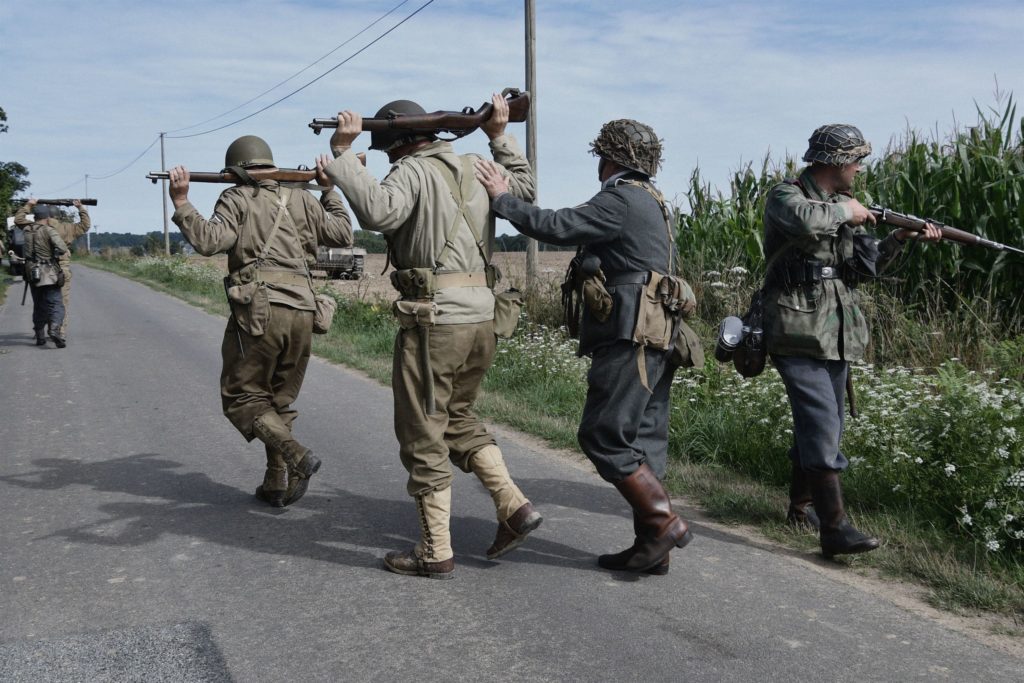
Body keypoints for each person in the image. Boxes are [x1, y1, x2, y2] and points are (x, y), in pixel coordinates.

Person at [321, 93, 539, 579]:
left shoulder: (410, 171)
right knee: (457, 416)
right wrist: (500, 137)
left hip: (435, 322)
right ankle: (514, 506)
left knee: (422, 431)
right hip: (482, 318)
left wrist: (342, 153)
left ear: (396, 142)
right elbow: (522, 192)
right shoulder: (476, 165)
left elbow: (378, 214)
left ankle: (435, 550)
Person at [475, 118, 696, 575]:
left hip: (631, 333)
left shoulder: (620, 198)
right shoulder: (654, 200)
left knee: (603, 434)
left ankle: (663, 524)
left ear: (608, 158)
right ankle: (652, 550)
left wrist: (502, 199)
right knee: (643, 440)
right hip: (659, 333)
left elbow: (558, 225)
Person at [760, 124, 941, 558]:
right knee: (821, 422)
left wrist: (898, 238)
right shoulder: (786, 195)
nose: (860, 168)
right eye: (856, 160)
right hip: (795, 329)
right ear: (837, 161)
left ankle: (801, 508)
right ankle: (835, 527)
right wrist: (849, 212)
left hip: (835, 332)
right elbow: (802, 220)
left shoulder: (844, 205)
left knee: (828, 424)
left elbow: (861, 268)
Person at [168, 135, 353, 508]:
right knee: (278, 399)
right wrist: (329, 191)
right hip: (303, 310)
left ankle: (296, 456)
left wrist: (182, 201)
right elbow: (342, 233)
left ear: (236, 170)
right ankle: (275, 480)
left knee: (242, 397)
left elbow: (209, 241)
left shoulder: (236, 198)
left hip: (260, 311)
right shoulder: (303, 198)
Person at [16, 198, 91, 341]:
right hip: (59, 268)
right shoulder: (66, 228)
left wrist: (29, 205)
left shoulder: (31, 227)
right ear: (57, 216)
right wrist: (80, 208)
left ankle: (40, 331)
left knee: (40, 302)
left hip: (35, 268)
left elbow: (18, 220)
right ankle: (59, 331)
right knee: (60, 302)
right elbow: (85, 225)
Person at [17, 203, 69, 347]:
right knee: (56, 304)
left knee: (38, 305)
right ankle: (54, 329)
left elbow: (18, 220)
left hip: (31, 272)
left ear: (35, 217)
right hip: (48, 272)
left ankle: (40, 336)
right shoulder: (48, 230)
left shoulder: (27, 229)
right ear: (47, 217)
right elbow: (62, 247)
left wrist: (28, 205)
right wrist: (55, 252)